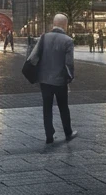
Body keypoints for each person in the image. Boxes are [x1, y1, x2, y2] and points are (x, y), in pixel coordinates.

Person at [25, 14, 76, 144]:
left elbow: (33, 57)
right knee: (63, 106)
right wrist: (70, 78)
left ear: (53, 24)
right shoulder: (68, 40)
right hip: (60, 80)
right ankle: (68, 132)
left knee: (47, 107)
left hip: (44, 79)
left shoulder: (44, 37)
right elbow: (69, 63)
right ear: (65, 25)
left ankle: (49, 135)